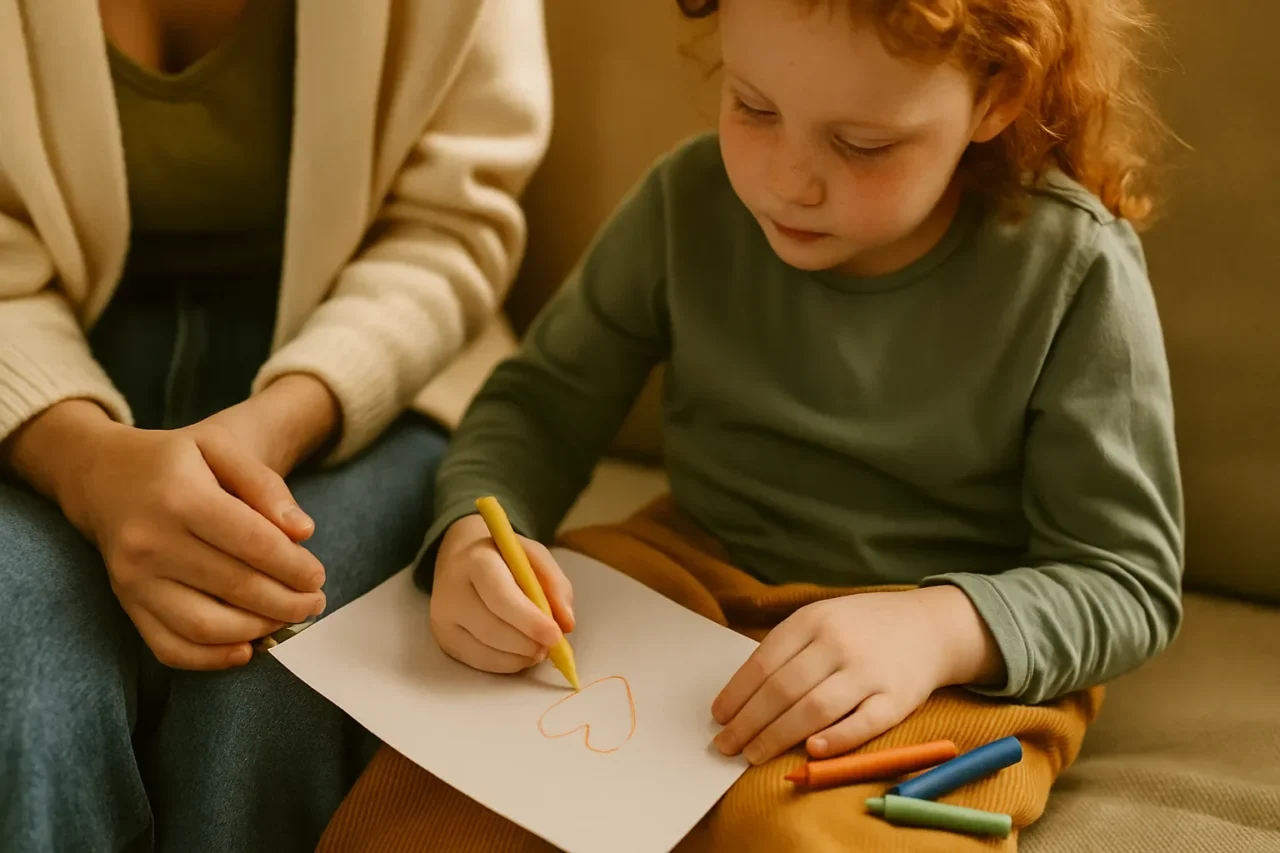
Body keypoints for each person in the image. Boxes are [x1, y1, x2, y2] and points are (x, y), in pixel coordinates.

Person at [317, 0, 1183, 849]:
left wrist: (936, 628)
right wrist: (477, 528)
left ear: (996, 96)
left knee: (798, 829)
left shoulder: (1074, 269)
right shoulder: (685, 201)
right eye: (753, 107)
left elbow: (1125, 577)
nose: (786, 179)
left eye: (862, 143)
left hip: (946, 651)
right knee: (446, 802)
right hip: (686, 573)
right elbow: (541, 403)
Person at [0, 0, 550, 851]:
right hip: (30, 377)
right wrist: (84, 461)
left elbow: (451, 222)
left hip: (371, 366)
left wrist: (281, 423)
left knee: (267, 690)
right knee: (27, 685)